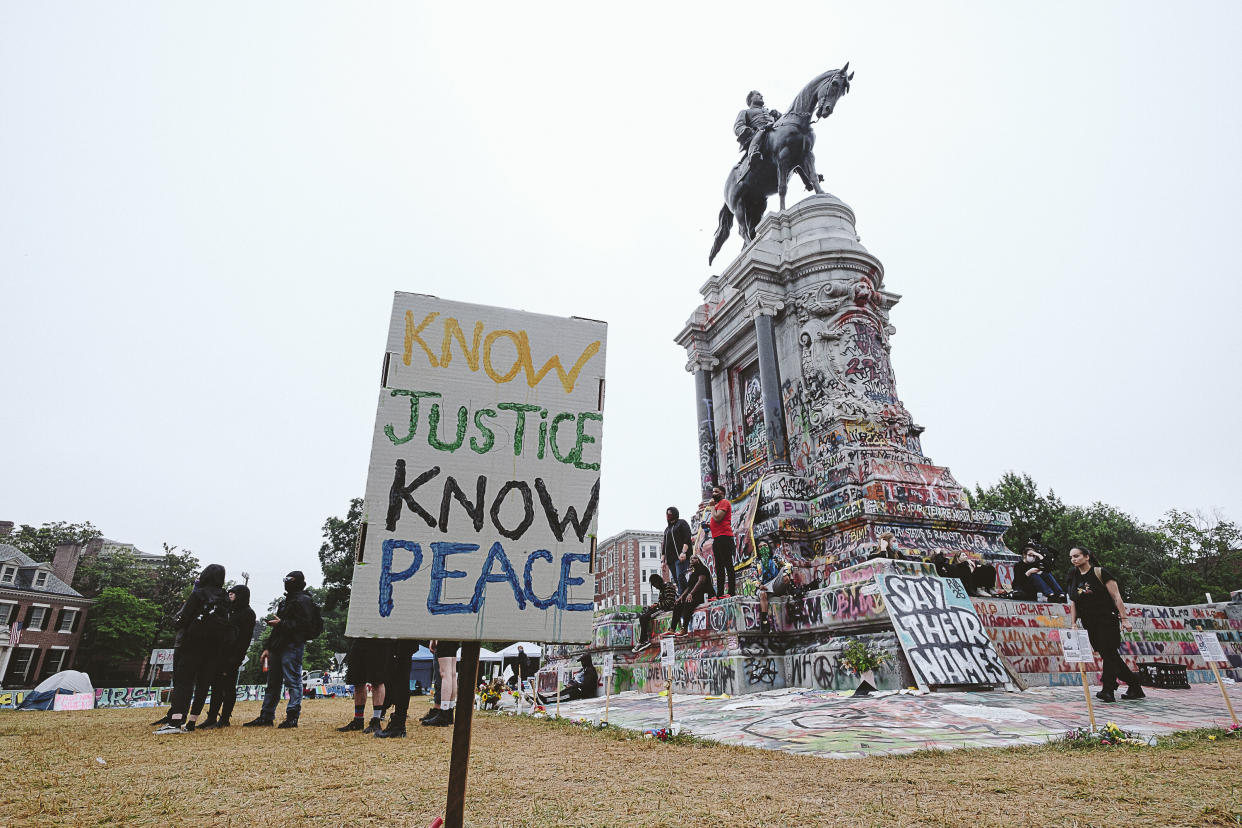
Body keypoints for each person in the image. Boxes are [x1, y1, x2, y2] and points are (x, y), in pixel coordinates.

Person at [155, 564, 231, 735]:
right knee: (203, 683)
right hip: (214, 647)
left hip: (192, 644)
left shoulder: (199, 593)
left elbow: (184, 618)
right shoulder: (225, 597)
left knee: (184, 682)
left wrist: (177, 622)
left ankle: (175, 721)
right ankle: (191, 722)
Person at [1067, 545, 1147, 703]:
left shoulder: (1100, 573)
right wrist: (1073, 623)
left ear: (1087, 556)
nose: (1073, 559)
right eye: (1071, 557)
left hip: (1107, 619)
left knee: (1108, 652)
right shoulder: (1072, 575)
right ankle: (1134, 684)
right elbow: (1074, 601)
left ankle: (1108, 689)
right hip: (1089, 622)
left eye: (1077, 556)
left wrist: (1124, 619)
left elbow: (1116, 596)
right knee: (1108, 655)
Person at [244, 570, 316, 728]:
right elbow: (277, 628)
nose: (286, 582)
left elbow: (304, 626)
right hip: (278, 645)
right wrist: (268, 648)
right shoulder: (285, 601)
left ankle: (292, 716)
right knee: (273, 682)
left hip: (293, 645)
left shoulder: (304, 600)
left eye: (289, 579)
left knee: (293, 680)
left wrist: (281, 624)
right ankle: (266, 716)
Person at [199, 584, 256, 729]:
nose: (230, 595)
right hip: (219, 653)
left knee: (228, 687)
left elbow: (245, 638)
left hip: (232, 655)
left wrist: (236, 658)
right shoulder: (227, 610)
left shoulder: (247, 613)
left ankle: (224, 718)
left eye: (234, 593)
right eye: (230, 592)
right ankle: (211, 717)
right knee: (216, 686)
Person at [337, 638, 390, 733]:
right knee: (357, 680)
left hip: (379, 640)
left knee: (377, 681)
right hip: (360, 638)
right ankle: (358, 720)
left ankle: (376, 720)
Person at [375, 639, 421, 738]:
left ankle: (398, 724)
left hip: (401, 639)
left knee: (400, 677)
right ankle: (399, 721)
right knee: (400, 676)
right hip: (405, 639)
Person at [733, 90, 781, 163]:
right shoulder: (745, 112)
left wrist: (778, 115)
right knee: (761, 132)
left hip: (774, 129)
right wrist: (748, 131)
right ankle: (753, 152)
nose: (761, 96)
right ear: (750, 99)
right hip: (757, 133)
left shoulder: (769, 111)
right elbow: (738, 126)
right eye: (758, 94)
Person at [635, 573, 678, 650]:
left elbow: (670, 602)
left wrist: (657, 605)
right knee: (642, 617)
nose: (656, 588)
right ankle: (642, 640)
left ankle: (643, 640)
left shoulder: (668, 587)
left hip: (665, 609)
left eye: (655, 585)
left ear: (658, 582)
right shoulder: (662, 589)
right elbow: (662, 602)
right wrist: (656, 605)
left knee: (646, 617)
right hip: (661, 608)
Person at [422, 639, 459, 727]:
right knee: (452, 673)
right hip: (455, 637)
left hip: (445, 636)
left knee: (445, 673)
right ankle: (449, 712)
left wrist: (434, 639)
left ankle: (444, 712)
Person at [708, 485, 737, 597]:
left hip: (724, 537)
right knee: (719, 567)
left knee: (728, 565)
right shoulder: (717, 505)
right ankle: (719, 593)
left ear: (722, 493)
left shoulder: (724, 502)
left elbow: (717, 518)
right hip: (717, 538)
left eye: (716, 491)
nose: (713, 493)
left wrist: (711, 507)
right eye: (713, 491)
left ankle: (731, 592)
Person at [672, 558, 714, 634]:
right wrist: (681, 597)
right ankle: (672, 629)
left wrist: (691, 594)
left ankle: (684, 628)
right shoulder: (692, 574)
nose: (691, 560)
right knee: (678, 604)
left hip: (704, 594)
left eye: (694, 558)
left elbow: (701, 581)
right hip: (695, 594)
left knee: (688, 602)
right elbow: (688, 587)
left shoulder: (702, 568)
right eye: (690, 559)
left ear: (699, 560)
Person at [756, 548, 792, 634]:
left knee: (786, 576)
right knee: (763, 595)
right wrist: (759, 585)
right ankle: (764, 621)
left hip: (775, 583)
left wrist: (786, 573)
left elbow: (788, 565)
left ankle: (787, 590)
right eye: (760, 547)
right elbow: (753, 576)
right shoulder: (756, 562)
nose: (763, 549)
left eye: (765, 546)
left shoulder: (775, 558)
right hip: (763, 586)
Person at [662, 507, 693, 596]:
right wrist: (663, 561)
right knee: (676, 579)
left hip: (680, 557)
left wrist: (683, 552)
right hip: (670, 560)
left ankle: (687, 594)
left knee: (680, 576)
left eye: (670, 513)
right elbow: (664, 546)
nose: (668, 515)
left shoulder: (681, 523)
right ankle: (683, 596)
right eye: (667, 514)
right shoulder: (667, 530)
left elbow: (687, 538)